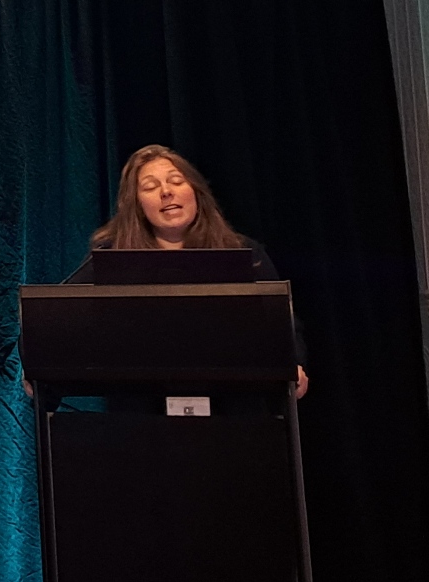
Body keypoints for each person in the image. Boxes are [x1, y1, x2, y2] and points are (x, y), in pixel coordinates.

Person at [63, 144, 308, 398]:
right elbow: (60, 317)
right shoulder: (111, 259)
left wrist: (295, 365)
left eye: (176, 181)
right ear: (137, 205)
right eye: (150, 187)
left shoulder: (243, 252)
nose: (166, 192)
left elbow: (284, 323)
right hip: (141, 405)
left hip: (234, 402)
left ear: (196, 192)